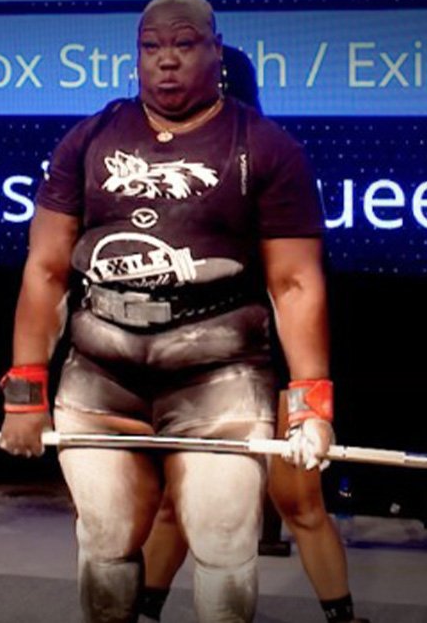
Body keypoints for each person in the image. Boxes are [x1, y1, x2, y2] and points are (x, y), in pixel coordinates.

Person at [0, 0, 334, 621]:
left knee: (223, 540)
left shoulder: (266, 147)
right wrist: (24, 393)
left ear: (216, 49)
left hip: (220, 373)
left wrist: (311, 404)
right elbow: (45, 271)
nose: (166, 60)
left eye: (183, 44)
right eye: (151, 47)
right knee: (105, 538)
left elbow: (294, 284)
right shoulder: (89, 139)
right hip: (102, 372)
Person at [136, 44, 362, 623]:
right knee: (178, 502)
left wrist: (307, 395)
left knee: (299, 502)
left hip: (275, 366)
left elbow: (296, 284)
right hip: (212, 368)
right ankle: (142, 611)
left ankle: (342, 618)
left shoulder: (267, 161)